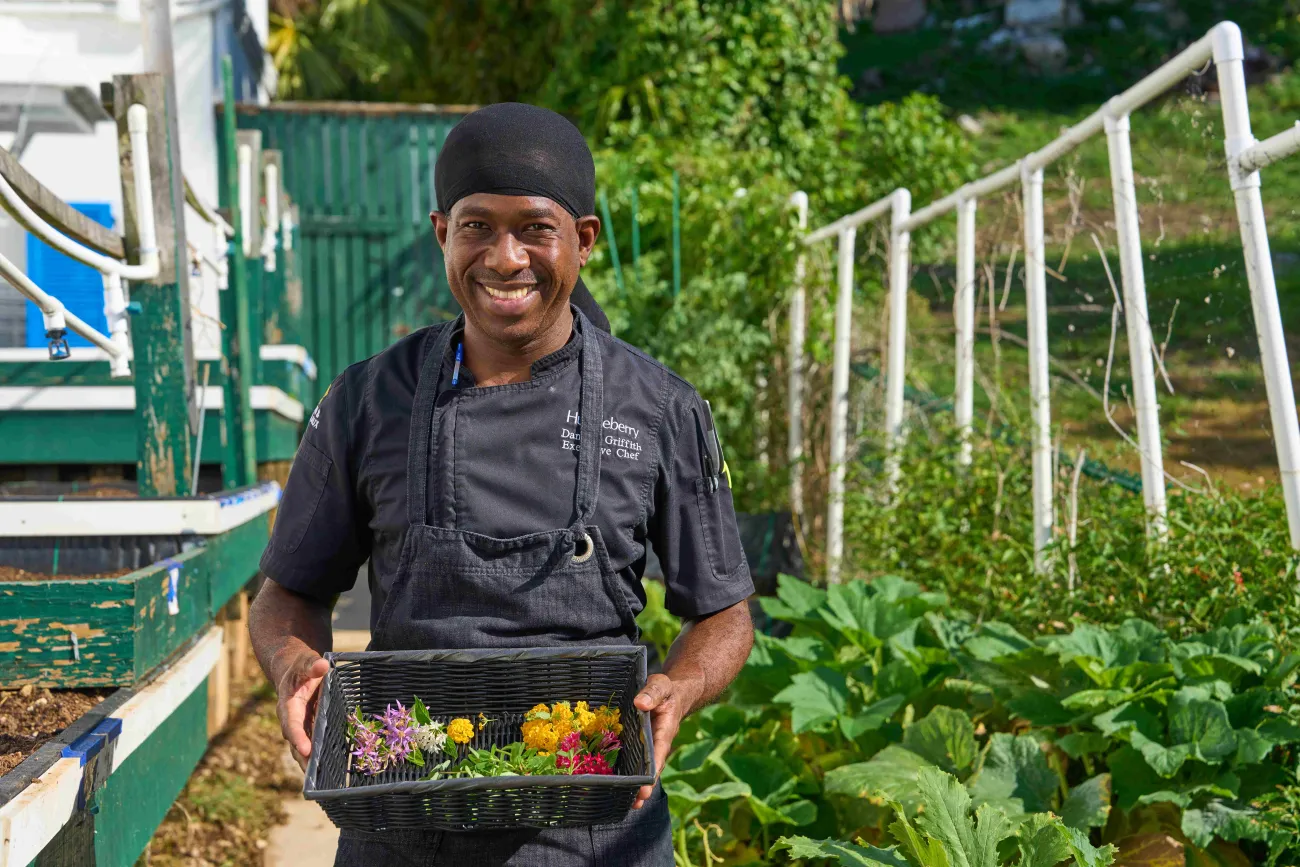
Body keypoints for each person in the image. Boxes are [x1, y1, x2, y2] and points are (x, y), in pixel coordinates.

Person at [249, 102, 755, 866]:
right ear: (440, 234)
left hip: (594, 825)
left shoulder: (658, 410)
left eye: (535, 229)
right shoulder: (365, 403)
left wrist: (678, 688)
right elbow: (287, 594)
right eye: (476, 225)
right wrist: (294, 664)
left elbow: (723, 613)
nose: (505, 257)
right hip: (400, 809)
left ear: (582, 241)